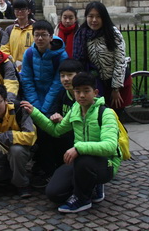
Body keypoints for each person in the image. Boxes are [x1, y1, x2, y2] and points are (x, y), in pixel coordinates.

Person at [21, 72, 122, 214]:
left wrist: (78, 148)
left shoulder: (106, 113)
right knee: (53, 193)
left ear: (95, 92)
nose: (82, 95)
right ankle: (90, 186)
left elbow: (110, 146)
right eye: (78, 91)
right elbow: (56, 131)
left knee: (83, 160)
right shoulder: (75, 109)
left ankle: (83, 199)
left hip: (106, 164)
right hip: (80, 162)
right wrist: (34, 112)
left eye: (86, 91)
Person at [20, 19, 68, 184]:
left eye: (44, 35)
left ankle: (49, 168)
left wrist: (44, 108)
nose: (40, 38)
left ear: (51, 37)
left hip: (53, 101)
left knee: (46, 132)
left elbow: (57, 83)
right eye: (37, 35)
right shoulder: (29, 54)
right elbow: (27, 80)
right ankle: (39, 163)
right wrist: (36, 106)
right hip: (34, 101)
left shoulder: (60, 56)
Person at [72, 1, 132, 111]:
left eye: (98, 16)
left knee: (115, 116)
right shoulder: (82, 34)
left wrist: (116, 89)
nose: (94, 20)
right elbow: (79, 61)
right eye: (91, 16)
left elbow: (120, 62)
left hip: (117, 82)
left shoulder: (113, 33)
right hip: (97, 84)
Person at [47, 58, 85, 171]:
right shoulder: (62, 94)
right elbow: (51, 111)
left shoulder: (85, 97)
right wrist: (53, 116)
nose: (66, 79)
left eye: (70, 75)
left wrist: (65, 121)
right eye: (62, 76)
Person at [0, 0, 34, 72]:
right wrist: (12, 63)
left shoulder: (35, 28)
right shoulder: (9, 29)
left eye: (23, 9)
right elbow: (4, 49)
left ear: (28, 11)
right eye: (17, 9)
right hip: (13, 69)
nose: (20, 12)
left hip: (33, 68)